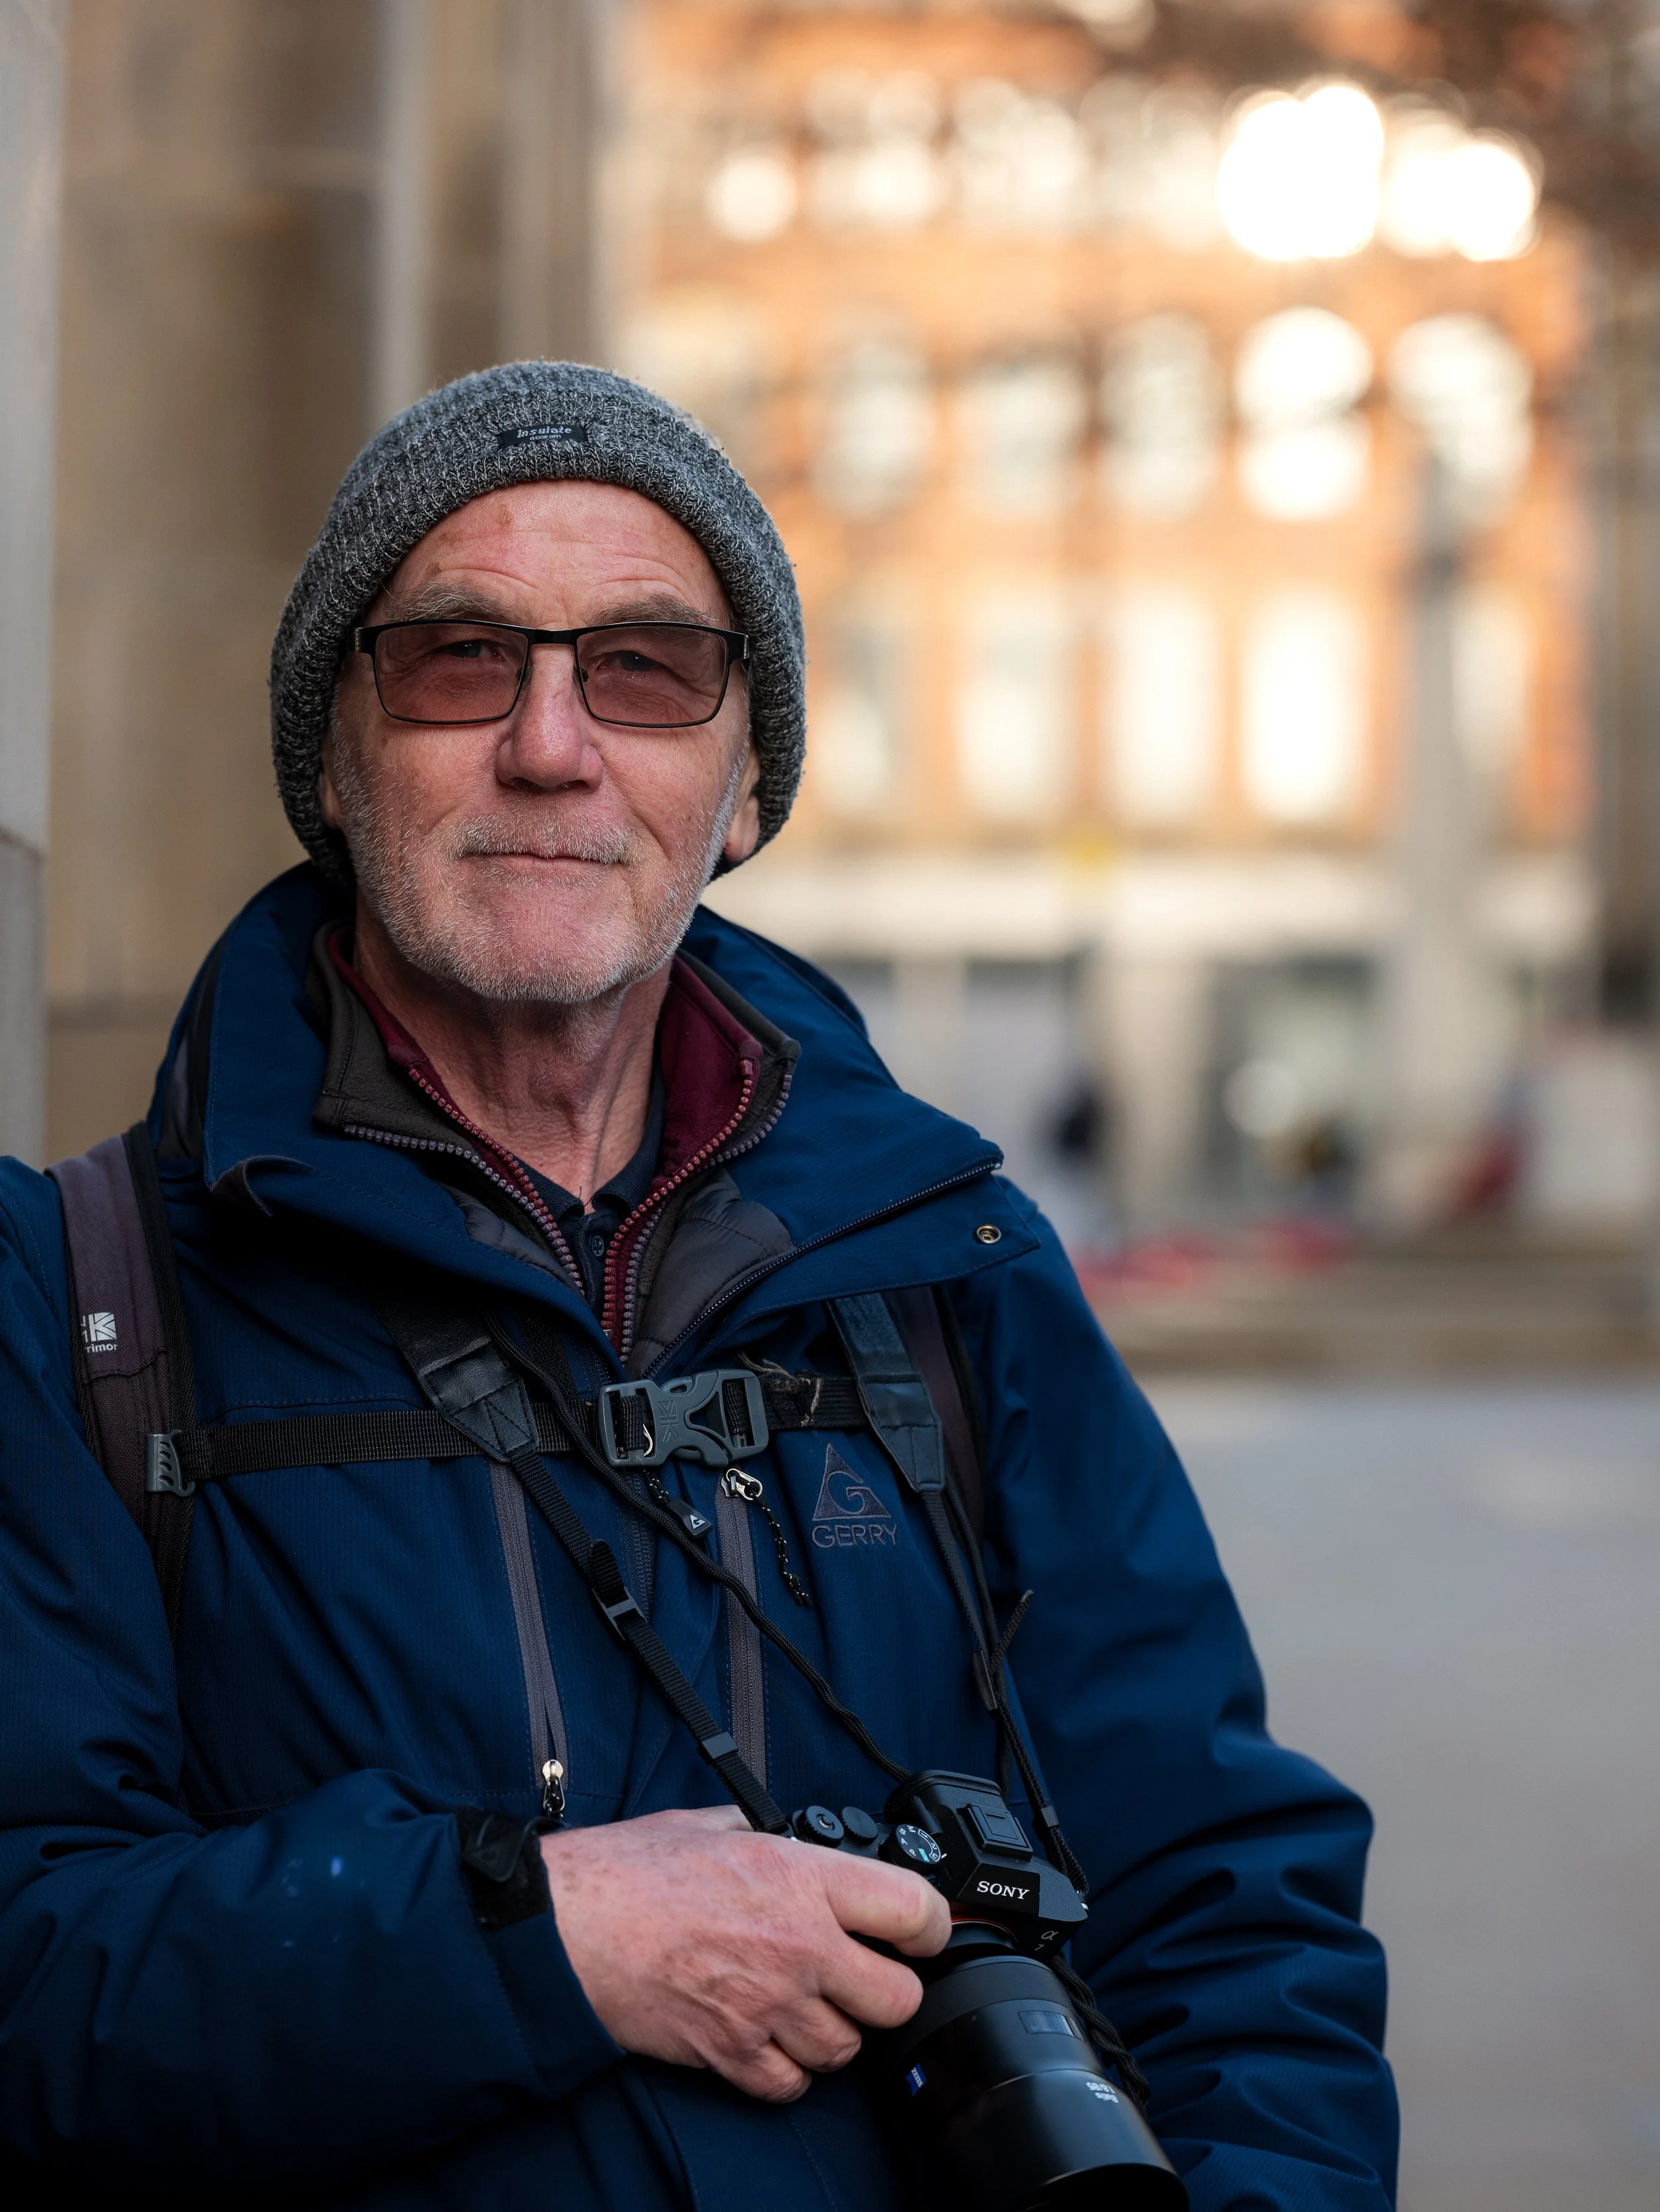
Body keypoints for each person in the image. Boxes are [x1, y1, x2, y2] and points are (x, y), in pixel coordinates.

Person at [0, 362, 1397, 2209]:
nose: (551, 745)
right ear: (332, 764)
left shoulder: (952, 1277)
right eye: (458, 660)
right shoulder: (70, 1301)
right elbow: (30, 1967)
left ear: (741, 790)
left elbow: (1225, 1912)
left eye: (645, 671)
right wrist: (544, 1938)